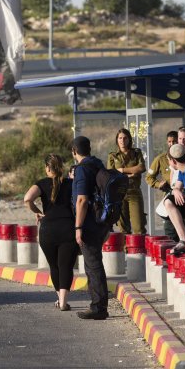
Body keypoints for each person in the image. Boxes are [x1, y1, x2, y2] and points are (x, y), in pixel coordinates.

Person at [23, 154, 79, 312]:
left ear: (47, 168)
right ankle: (63, 301)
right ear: (62, 166)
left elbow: (27, 198)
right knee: (66, 266)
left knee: (54, 266)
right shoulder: (71, 183)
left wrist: (38, 212)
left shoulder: (41, 183)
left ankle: (59, 299)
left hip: (47, 230)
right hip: (68, 228)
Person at [71, 135, 110, 320]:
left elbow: (82, 200)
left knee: (93, 265)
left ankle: (99, 307)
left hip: (89, 224)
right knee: (94, 264)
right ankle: (98, 304)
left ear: (74, 152)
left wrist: (78, 227)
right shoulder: (98, 165)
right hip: (101, 221)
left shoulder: (83, 169)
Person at [107, 128, 147, 234]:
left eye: (125, 138)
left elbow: (141, 168)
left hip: (134, 192)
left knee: (139, 227)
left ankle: (140, 250)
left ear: (129, 139)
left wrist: (122, 170)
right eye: (120, 138)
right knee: (123, 228)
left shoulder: (136, 152)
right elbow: (110, 174)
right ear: (117, 140)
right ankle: (125, 250)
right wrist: (128, 175)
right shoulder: (112, 156)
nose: (122, 140)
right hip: (119, 194)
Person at [146, 131, 180, 239]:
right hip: (169, 195)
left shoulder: (184, 157)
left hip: (183, 195)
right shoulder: (161, 159)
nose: (171, 144)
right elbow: (149, 177)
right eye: (169, 141)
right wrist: (159, 184)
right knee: (170, 229)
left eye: (174, 141)